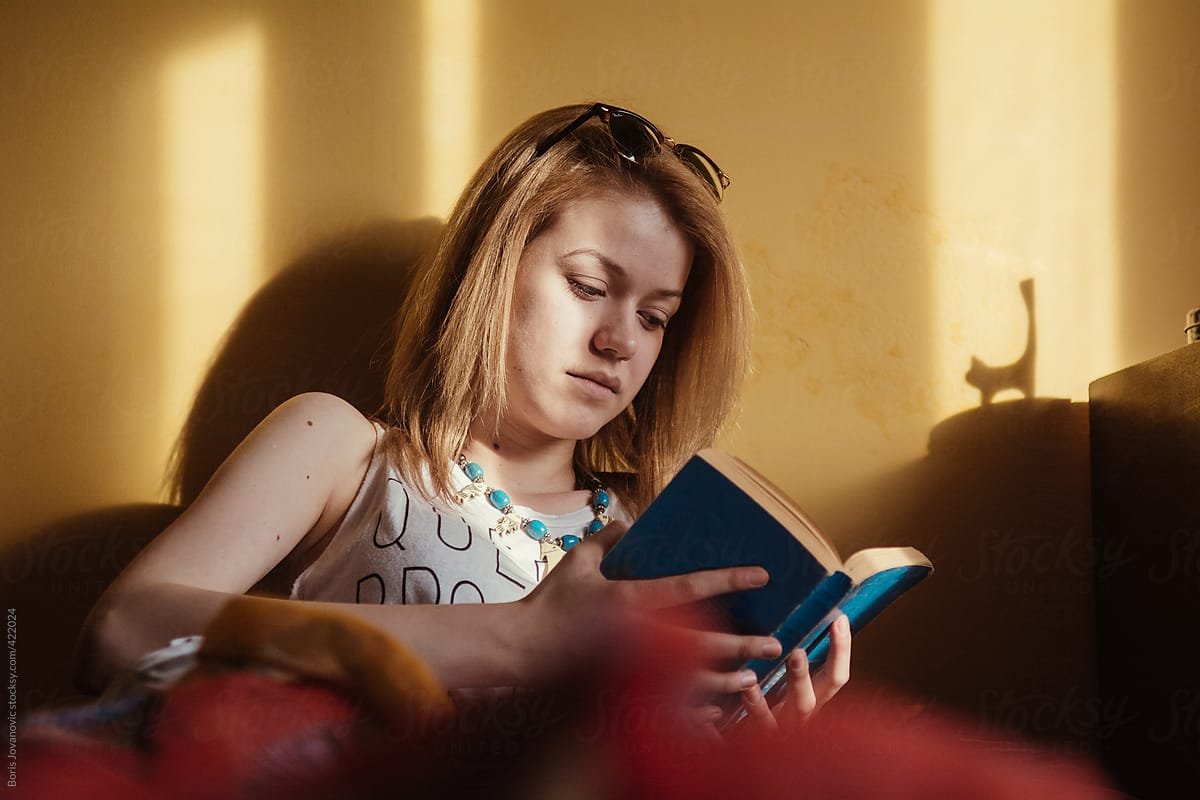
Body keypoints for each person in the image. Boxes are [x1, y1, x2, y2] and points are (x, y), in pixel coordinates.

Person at [78, 102, 851, 728]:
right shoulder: (344, 450)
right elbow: (123, 630)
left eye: (655, 317)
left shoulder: (660, 533)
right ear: (492, 267)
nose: (619, 341)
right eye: (587, 286)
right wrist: (515, 638)